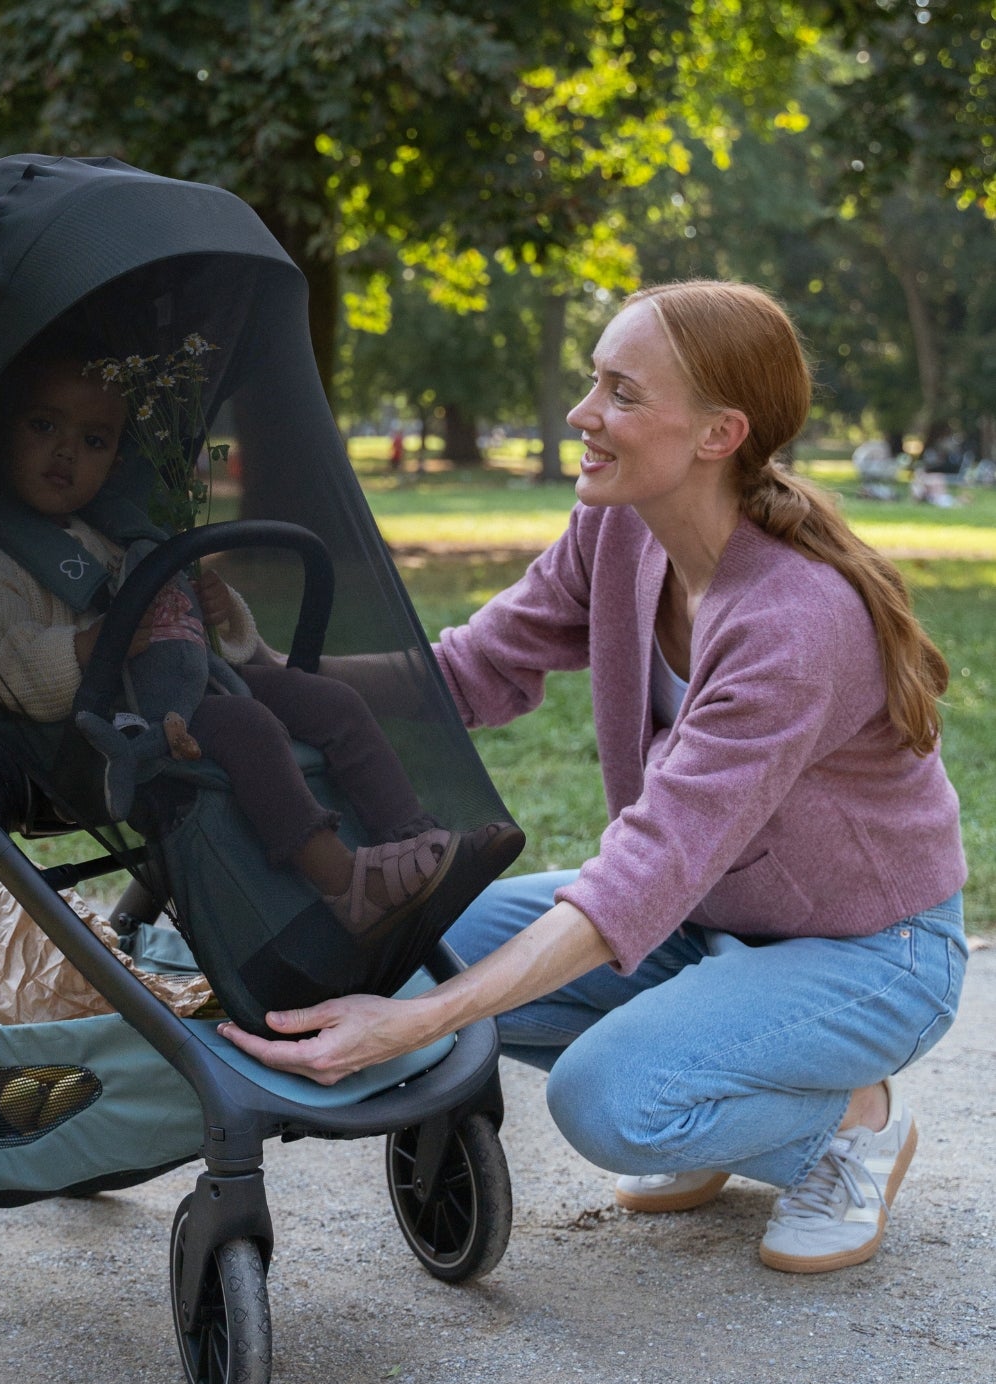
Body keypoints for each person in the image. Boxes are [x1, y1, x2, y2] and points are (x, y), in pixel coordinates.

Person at [223, 280, 968, 1274]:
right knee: (395, 945)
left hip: (874, 952)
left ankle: (851, 1123)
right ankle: (711, 1089)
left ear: (718, 434)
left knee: (610, 1103)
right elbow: (467, 673)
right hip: (702, 916)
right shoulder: (623, 529)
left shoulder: (794, 625)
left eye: (620, 392)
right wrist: (259, 678)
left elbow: (644, 870)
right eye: (592, 383)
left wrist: (425, 1021)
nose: (582, 414)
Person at [0, 357, 461, 941]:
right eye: (43, 427)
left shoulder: (114, 531)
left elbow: (220, 645)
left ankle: (411, 838)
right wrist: (91, 646)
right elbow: (10, 669)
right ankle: (343, 884)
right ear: (3, 433)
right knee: (245, 724)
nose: (66, 451)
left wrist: (222, 614)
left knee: (327, 700)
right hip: (106, 723)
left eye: (93, 440)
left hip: (195, 679)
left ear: (115, 459)